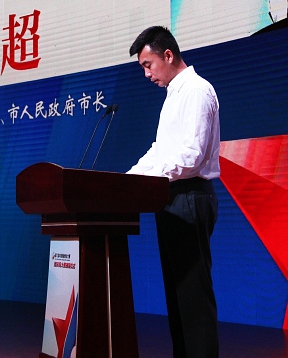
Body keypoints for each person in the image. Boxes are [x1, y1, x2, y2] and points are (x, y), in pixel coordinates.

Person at [127, 26, 220, 358]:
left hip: (190, 197)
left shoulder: (196, 90)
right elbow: (160, 150)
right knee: (178, 295)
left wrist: (148, 180)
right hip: (171, 197)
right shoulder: (174, 95)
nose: (147, 74)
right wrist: (129, 179)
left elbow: (191, 156)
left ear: (168, 55)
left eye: (148, 65)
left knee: (193, 297)